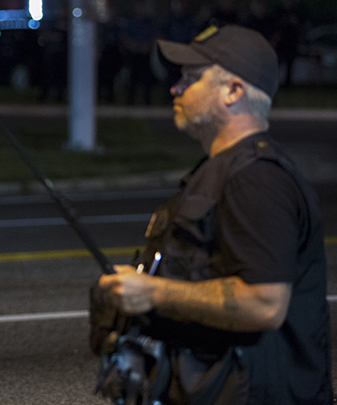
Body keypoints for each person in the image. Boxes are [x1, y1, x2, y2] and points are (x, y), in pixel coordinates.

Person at [97, 25, 333, 404]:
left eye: (191, 78)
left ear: (233, 91)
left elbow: (264, 302)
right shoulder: (219, 171)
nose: (175, 88)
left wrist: (153, 293)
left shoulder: (256, 179)